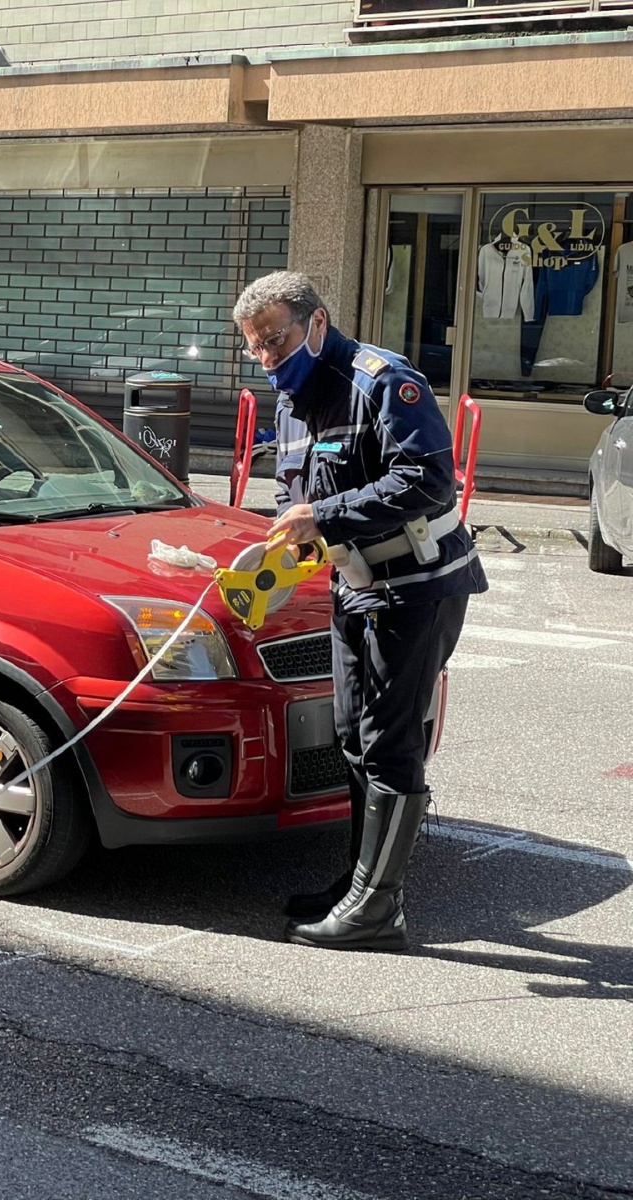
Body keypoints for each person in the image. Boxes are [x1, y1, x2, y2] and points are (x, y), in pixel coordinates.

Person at [232, 270, 487, 953]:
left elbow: (427, 480)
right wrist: (271, 567)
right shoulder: (290, 403)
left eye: (275, 340)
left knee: (388, 741)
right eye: (254, 347)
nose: (266, 359)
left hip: (419, 583)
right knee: (350, 735)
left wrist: (326, 514)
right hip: (355, 584)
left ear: (317, 324)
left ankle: (379, 909)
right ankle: (359, 882)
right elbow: (298, 509)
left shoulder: (383, 381)